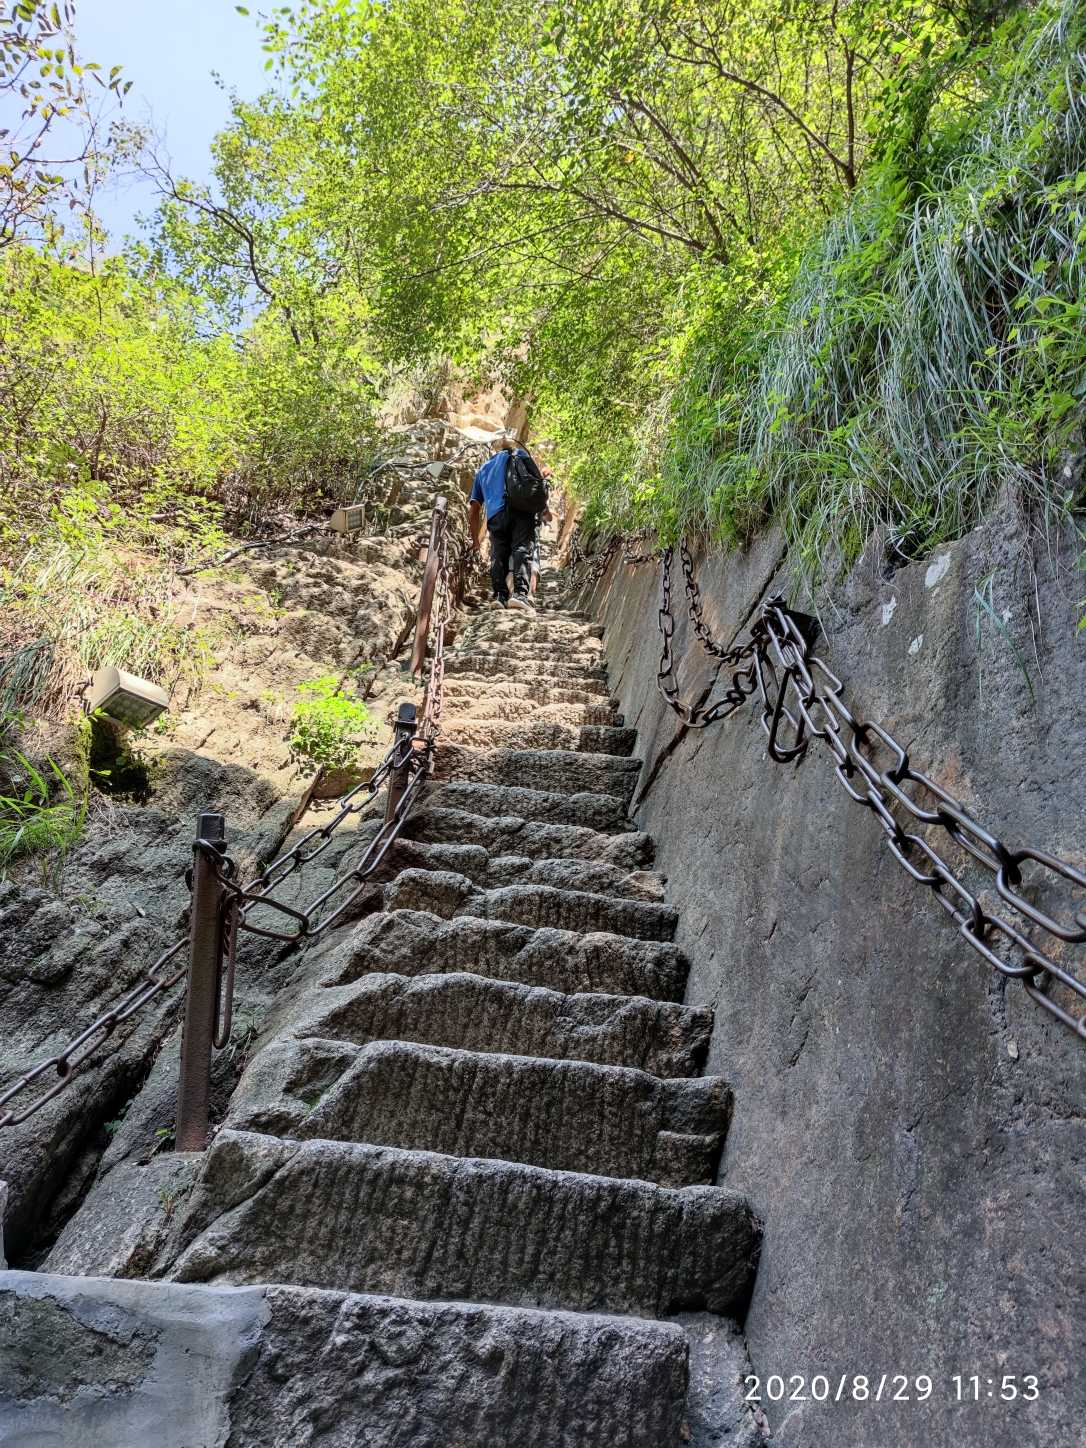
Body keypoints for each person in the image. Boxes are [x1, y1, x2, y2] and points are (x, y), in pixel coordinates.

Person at [469, 436, 547, 612]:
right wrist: (542, 508)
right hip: (520, 509)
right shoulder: (519, 454)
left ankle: (499, 596)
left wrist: (475, 539)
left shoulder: (483, 469)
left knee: (498, 554)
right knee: (522, 549)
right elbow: (536, 484)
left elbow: (474, 508)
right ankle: (519, 594)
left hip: (495, 515)